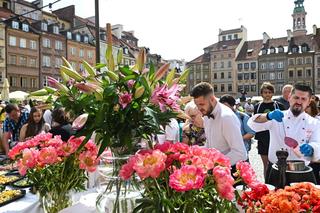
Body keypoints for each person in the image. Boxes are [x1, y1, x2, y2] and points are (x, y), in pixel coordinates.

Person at [248, 84, 320, 184]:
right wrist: (268, 116)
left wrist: (312, 148)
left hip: (301, 171)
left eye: (303, 99)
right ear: (289, 97)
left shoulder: (314, 123)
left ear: (308, 102)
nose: (299, 102)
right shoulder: (277, 116)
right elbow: (252, 124)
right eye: (296, 97)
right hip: (275, 169)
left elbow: (317, 144)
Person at [190, 82, 247, 169]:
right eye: (197, 105)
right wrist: (193, 152)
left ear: (212, 99)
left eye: (201, 104)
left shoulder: (226, 118)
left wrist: (214, 164)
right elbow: (210, 145)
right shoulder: (206, 114)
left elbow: (240, 153)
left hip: (233, 169)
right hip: (217, 168)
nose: (199, 109)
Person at [253, 82, 285, 178]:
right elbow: (254, 121)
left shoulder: (279, 106)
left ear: (273, 93)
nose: (267, 94)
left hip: (276, 138)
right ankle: (267, 183)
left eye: (269, 92)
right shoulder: (257, 106)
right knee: (266, 164)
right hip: (262, 138)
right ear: (261, 93)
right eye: (265, 92)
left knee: (278, 163)